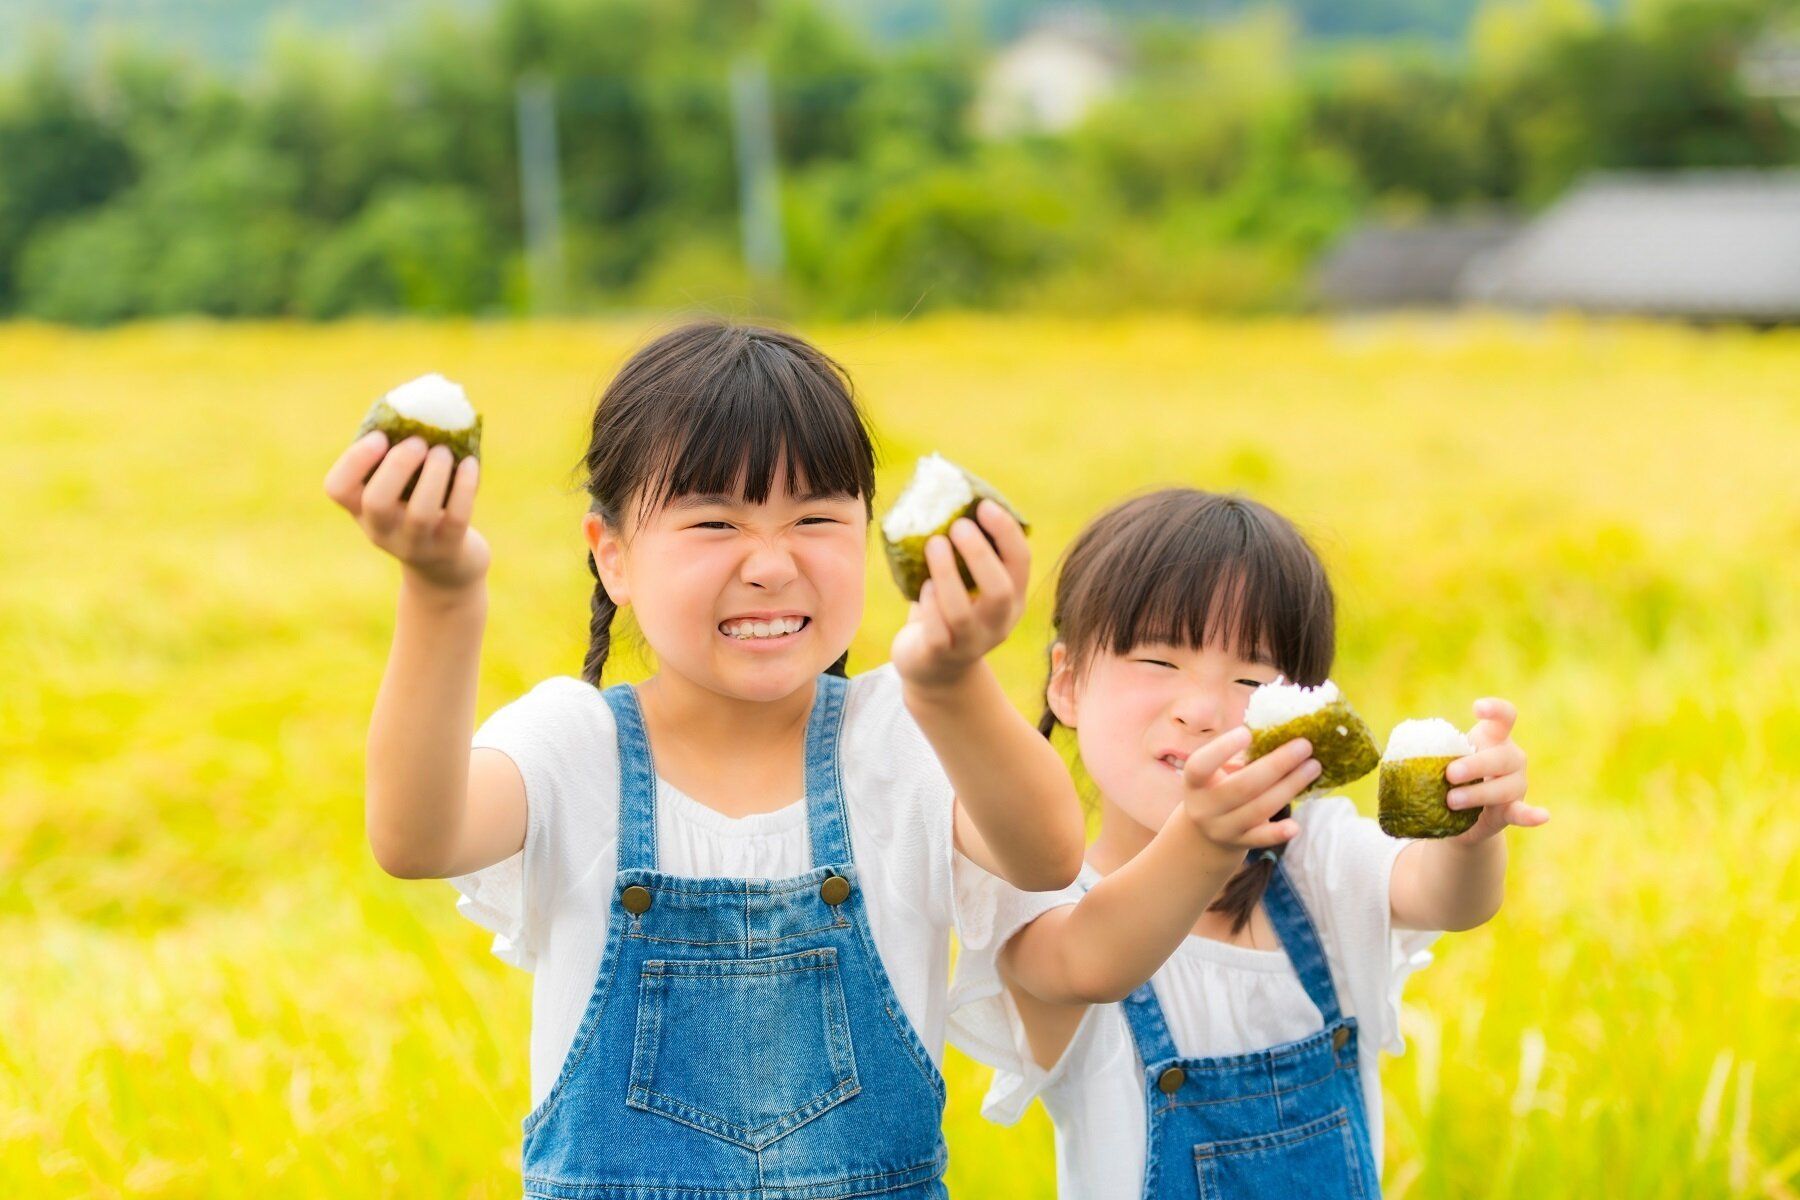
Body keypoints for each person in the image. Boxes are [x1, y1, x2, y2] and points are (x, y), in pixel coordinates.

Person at [322, 320, 1085, 1197]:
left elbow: (1045, 852)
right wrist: (442, 590)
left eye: (817, 518)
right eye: (715, 521)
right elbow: (416, 838)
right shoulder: (578, 750)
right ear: (613, 558)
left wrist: (951, 682)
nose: (770, 563)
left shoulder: (898, 736)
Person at [949, 488, 1544, 1199]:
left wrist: (1470, 835)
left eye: (1250, 679)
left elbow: (1446, 899)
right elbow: (1088, 967)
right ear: (1069, 683)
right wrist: (1202, 839)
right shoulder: (1047, 907)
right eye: (1159, 663)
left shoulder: (1313, 857)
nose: (1201, 710)